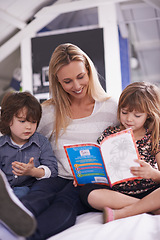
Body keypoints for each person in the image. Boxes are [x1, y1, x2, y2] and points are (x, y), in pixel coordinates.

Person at [3, 42, 119, 240]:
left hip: (89, 182)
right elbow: (26, 138)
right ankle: (6, 225)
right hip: (55, 176)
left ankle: (28, 237)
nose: (76, 86)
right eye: (67, 81)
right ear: (57, 82)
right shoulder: (48, 112)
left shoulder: (112, 108)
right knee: (37, 196)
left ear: (89, 71)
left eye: (80, 76)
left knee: (64, 205)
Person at [80, 81, 160, 223]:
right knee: (88, 193)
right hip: (119, 195)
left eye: (137, 115)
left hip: (150, 191)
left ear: (148, 115)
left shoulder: (154, 137)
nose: (129, 119)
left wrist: (152, 174)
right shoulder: (109, 134)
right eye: (124, 112)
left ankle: (124, 213)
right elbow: (99, 166)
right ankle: (149, 208)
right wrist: (85, 175)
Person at [0, 91, 58, 199]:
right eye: (22, 121)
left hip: (31, 189)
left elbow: (52, 170)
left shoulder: (42, 142)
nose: (29, 127)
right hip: (5, 190)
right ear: (8, 120)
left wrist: (34, 171)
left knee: (22, 192)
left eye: (33, 122)